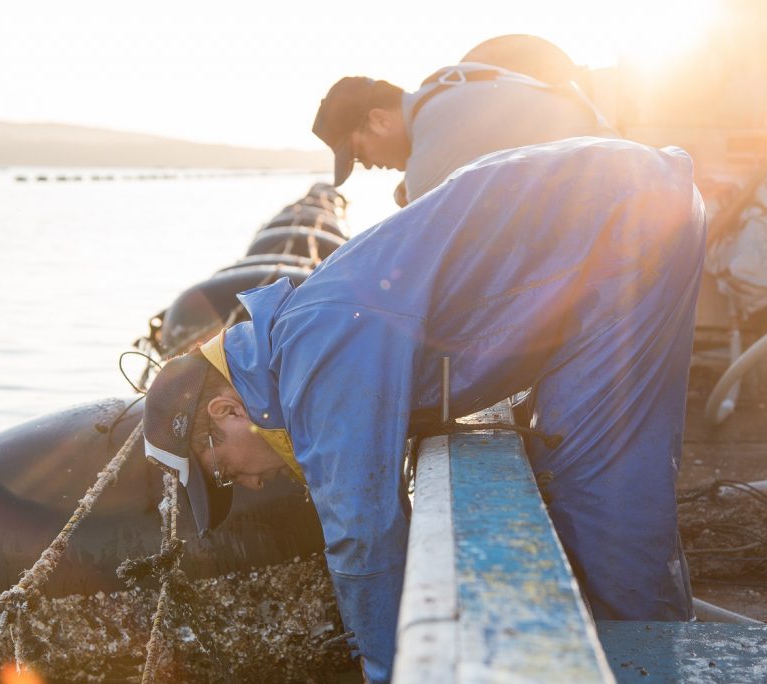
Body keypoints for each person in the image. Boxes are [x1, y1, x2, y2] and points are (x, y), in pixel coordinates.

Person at [143, 137, 705, 682]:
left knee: (599, 486)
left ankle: (654, 666)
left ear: (226, 410)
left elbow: (362, 533)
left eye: (225, 472)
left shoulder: (315, 347)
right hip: (615, 211)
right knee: (589, 475)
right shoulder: (299, 340)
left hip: (621, 220)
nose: (250, 484)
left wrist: (389, 671)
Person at [312, 36, 616, 207]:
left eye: (358, 153)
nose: (368, 164)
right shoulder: (450, 84)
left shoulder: (429, 158)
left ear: (378, 120)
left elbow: (422, 274)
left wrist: (414, 202)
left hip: (618, 204)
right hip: (621, 168)